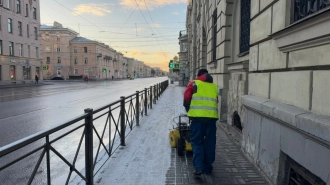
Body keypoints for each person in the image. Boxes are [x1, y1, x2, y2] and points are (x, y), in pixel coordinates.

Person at [183, 69, 219, 177]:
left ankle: (199, 168)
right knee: (210, 143)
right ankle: (208, 167)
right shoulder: (214, 86)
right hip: (211, 119)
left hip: (198, 119)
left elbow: (186, 99)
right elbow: (216, 102)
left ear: (198, 76)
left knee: (197, 142)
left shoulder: (194, 84)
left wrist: (190, 111)